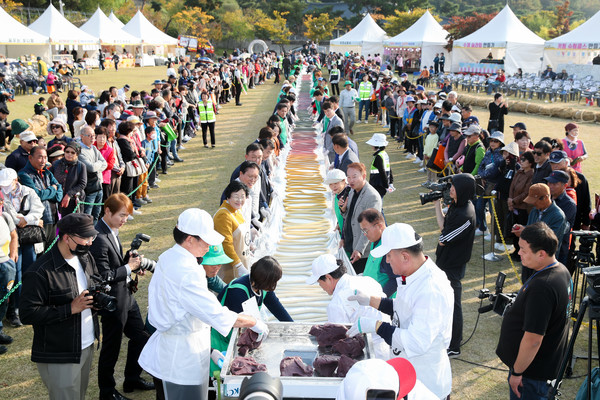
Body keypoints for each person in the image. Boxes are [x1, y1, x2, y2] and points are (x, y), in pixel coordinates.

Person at [137, 208, 267, 399]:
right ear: (189, 239)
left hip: (176, 350)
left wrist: (210, 351)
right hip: (180, 360)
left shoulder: (169, 256)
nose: (209, 246)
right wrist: (252, 322)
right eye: (205, 241)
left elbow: (190, 310)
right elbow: (215, 314)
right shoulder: (187, 271)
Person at [347, 223, 453, 399]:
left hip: (425, 382)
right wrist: (372, 301)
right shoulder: (413, 273)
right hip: (405, 373)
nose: (386, 261)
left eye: (388, 256)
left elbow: (415, 341)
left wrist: (376, 326)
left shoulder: (431, 289)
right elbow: (404, 307)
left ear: (405, 256)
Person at [20, 214, 100, 400]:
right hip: (60, 353)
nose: (89, 242)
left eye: (92, 237)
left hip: (87, 345)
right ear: (66, 237)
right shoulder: (39, 272)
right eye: (85, 237)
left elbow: (94, 284)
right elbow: (27, 313)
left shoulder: (85, 258)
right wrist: (70, 308)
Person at [89, 194, 154, 399]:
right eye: (122, 215)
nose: (125, 220)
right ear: (107, 211)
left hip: (126, 296)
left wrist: (128, 261)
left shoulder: (112, 229)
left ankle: (132, 379)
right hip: (113, 301)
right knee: (111, 347)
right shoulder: (98, 237)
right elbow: (103, 276)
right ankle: (107, 392)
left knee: (141, 336)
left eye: (127, 215)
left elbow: (114, 263)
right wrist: (129, 267)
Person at [496, 222, 571, 400]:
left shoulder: (543, 287)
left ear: (541, 254)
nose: (519, 252)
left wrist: (517, 372)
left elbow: (533, 340)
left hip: (531, 377)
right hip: (542, 370)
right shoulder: (561, 270)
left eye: (523, 249)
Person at [211, 256, 292, 371]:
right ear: (264, 280)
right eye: (273, 282)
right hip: (223, 340)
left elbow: (277, 309)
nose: (274, 286)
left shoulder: (261, 287)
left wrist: (291, 328)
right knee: (220, 374)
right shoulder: (238, 292)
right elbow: (237, 324)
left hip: (240, 336)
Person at [307, 254, 390, 359]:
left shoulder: (336, 303)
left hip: (369, 353)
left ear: (328, 278)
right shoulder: (367, 280)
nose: (321, 287)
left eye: (319, 283)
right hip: (387, 344)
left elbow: (338, 339)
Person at [433, 173, 476, 358]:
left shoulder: (465, 214)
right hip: (445, 261)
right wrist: (436, 205)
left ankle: (454, 345)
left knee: (453, 304)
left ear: (463, 190)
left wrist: (443, 239)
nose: (450, 189)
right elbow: (443, 228)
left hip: (453, 265)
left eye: (454, 187)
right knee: (444, 302)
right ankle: (446, 338)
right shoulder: (456, 206)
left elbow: (444, 239)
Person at [512, 183, 568, 282]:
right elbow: (531, 227)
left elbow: (549, 240)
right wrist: (523, 229)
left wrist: (525, 231)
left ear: (546, 198)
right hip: (529, 258)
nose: (533, 204)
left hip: (543, 263)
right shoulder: (535, 211)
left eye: (535, 200)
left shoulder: (558, 216)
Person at [340, 163, 382, 274]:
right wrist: (343, 210)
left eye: (354, 177)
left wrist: (359, 250)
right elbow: (351, 217)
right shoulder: (352, 191)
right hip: (351, 244)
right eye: (348, 177)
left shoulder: (372, 196)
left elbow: (371, 227)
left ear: (363, 176)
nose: (350, 180)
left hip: (363, 253)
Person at [18, 146, 63, 249]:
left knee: (52, 248)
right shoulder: (24, 174)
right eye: (40, 157)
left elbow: (59, 192)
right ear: (30, 158)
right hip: (40, 220)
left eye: (45, 157)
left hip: (53, 217)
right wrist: (52, 190)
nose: (43, 161)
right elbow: (37, 196)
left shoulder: (47, 172)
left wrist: (50, 192)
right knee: (40, 252)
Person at [213, 181, 251, 281]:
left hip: (243, 260)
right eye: (236, 196)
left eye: (242, 196)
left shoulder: (237, 210)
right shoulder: (224, 215)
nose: (240, 200)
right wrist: (238, 265)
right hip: (231, 267)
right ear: (228, 197)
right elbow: (226, 244)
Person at [357, 208, 397, 297]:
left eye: (365, 230)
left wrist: (379, 298)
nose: (364, 234)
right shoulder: (375, 240)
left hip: (382, 303)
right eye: (362, 231)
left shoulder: (389, 248)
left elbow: (395, 280)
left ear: (379, 226)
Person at [544, 170, 576, 266]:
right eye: (549, 182)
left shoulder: (569, 204)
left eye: (554, 183)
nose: (550, 186)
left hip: (559, 249)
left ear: (565, 185)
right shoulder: (546, 198)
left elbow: (558, 226)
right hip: (543, 246)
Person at [507, 151, 535, 260]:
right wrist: (510, 200)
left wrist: (513, 201)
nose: (521, 162)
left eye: (524, 160)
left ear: (531, 162)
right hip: (514, 205)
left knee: (521, 231)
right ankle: (515, 249)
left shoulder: (531, 174)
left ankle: (522, 252)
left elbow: (527, 192)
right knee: (514, 230)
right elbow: (512, 186)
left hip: (523, 207)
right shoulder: (519, 171)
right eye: (521, 159)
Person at [77, 126, 107, 222]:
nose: (92, 138)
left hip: (99, 185)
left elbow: (105, 163)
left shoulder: (93, 148)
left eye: (93, 135)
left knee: (96, 213)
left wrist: (96, 166)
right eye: (89, 135)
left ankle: (94, 234)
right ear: (82, 136)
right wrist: (98, 165)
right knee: (88, 214)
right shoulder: (79, 150)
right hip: (89, 187)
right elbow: (91, 168)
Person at [50, 142, 87, 215]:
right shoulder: (56, 164)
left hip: (73, 200)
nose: (69, 154)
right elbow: (50, 178)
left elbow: (82, 184)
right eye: (67, 152)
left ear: (77, 154)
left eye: (73, 152)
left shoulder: (81, 166)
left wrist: (69, 195)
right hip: (57, 198)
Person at [366, 133, 393, 198]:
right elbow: (389, 168)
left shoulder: (378, 156)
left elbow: (382, 171)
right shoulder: (384, 154)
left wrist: (386, 185)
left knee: (377, 206)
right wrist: (390, 182)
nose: (371, 145)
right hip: (381, 186)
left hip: (377, 185)